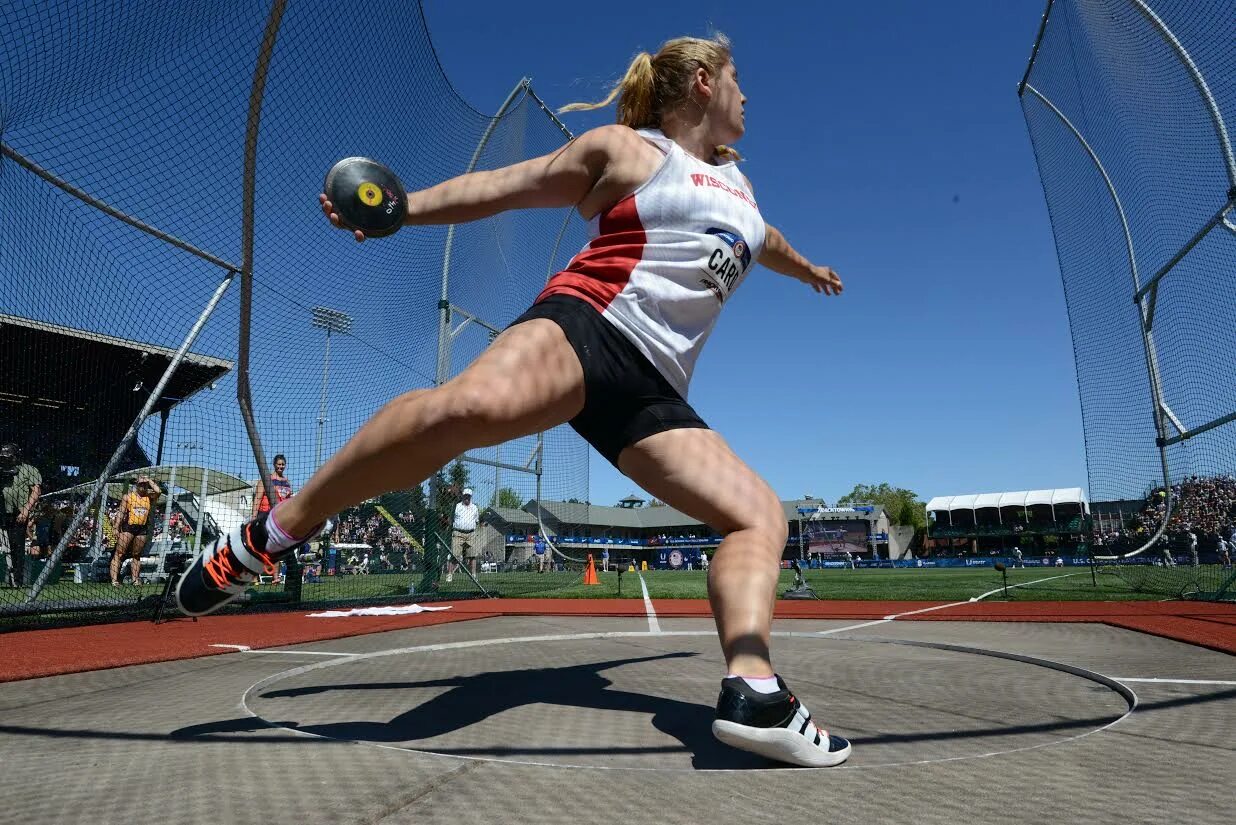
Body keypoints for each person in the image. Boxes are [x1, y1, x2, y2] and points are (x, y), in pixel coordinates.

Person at [177, 33, 849, 768]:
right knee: (457, 412)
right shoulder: (631, 153)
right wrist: (403, 209)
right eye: (737, 78)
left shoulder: (745, 193)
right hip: (588, 328)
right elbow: (507, 185)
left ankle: (753, 688)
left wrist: (806, 266)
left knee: (759, 515)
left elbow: (766, 238)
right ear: (699, 81)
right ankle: (270, 534)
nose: (747, 95)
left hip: (655, 392)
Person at [1, 443, 41, 587]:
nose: (5, 459)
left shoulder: (29, 470)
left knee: (16, 546)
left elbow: (36, 491)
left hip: (18, 513)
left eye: (8, 457)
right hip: (2, 511)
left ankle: (16, 580)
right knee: (6, 547)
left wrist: (25, 510)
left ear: (16, 456)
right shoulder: (1, 469)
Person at [110, 476, 161, 587]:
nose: (143, 486)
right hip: (128, 527)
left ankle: (135, 580)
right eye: (141, 484)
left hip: (142, 528)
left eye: (144, 484)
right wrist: (116, 527)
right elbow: (121, 513)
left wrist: (149, 480)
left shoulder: (150, 497)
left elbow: (158, 491)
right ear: (136, 485)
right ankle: (114, 581)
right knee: (119, 553)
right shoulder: (128, 497)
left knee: (137, 555)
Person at [251, 454, 294, 584]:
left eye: (283, 464)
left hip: (278, 517)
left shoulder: (286, 482)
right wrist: (253, 517)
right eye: (279, 464)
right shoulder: (266, 479)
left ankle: (275, 577)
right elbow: (257, 499)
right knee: (260, 547)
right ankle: (253, 576)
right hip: (264, 515)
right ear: (274, 465)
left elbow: (288, 500)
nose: (281, 466)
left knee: (277, 548)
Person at [445, 487, 480, 582]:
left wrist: (474, 532)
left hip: (471, 534)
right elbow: (450, 519)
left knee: (472, 556)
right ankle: (449, 575)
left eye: (469, 496)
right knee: (454, 555)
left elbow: (477, 521)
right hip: (458, 533)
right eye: (465, 496)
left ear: (470, 497)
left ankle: (473, 575)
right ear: (463, 496)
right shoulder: (457, 506)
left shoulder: (475, 508)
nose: (467, 498)